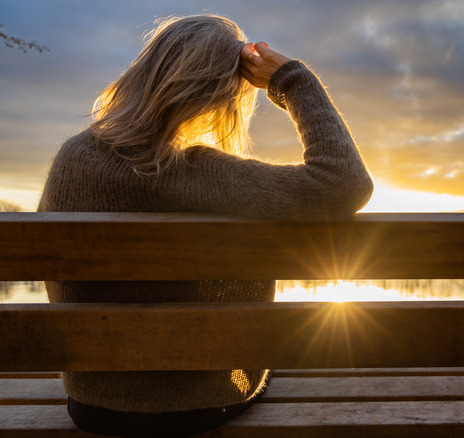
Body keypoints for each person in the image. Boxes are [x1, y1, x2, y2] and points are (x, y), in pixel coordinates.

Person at [37, 14, 373, 437]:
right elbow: (344, 182)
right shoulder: (193, 173)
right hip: (194, 408)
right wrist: (292, 79)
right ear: (219, 97)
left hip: (91, 407)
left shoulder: (71, 157)